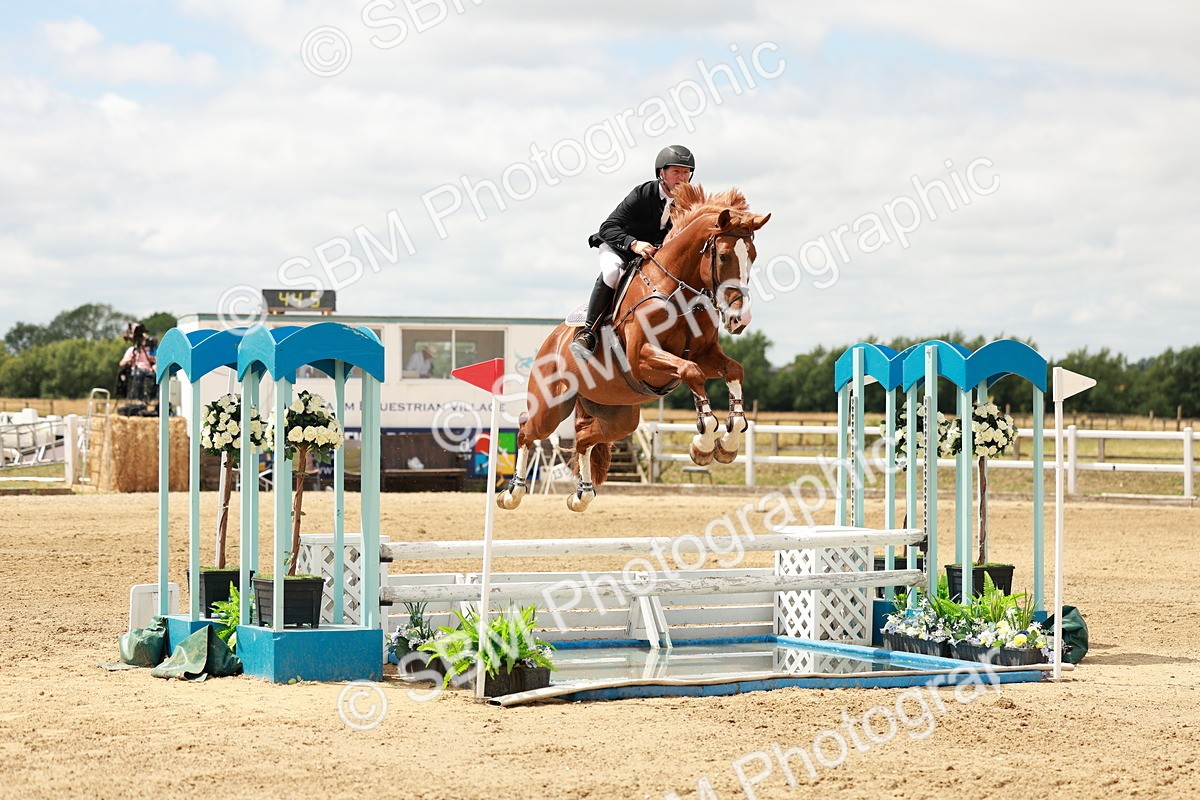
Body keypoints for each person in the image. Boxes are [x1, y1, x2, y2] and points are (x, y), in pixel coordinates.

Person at [570, 144, 696, 359]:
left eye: (686, 172)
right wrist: (634, 244)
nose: (682, 178)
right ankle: (588, 332)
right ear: (661, 173)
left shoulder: (688, 203)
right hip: (620, 247)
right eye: (676, 172)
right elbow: (608, 227)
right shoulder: (642, 194)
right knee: (612, 273)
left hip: (652, 256)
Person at [119, 323, 157, 402]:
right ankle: (140, 399)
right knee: (139, 373)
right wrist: (130, 358)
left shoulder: (149, 350)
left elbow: (155, 361)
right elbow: (121, 363)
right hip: (136, 371)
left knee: (157, 376)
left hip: (148, 370)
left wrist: (154, 364)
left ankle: (152, 397)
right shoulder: (132, 350)